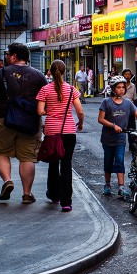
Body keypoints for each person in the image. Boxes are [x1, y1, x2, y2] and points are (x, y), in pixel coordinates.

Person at [0, 42, 48, 204]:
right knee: (27, 157)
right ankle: (27, 194)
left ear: (14, 56)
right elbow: (47, 100)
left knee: (0, 151)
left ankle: (8, 181)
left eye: (8, 54)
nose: (6, 57)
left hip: (4, 119)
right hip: (30, 121)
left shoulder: (0, 74)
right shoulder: (38, 75)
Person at [36, 60, 84, 212]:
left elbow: (40, 111)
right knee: (66, 164)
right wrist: (80, 122)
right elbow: (80, 111)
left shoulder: (45, 89)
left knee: (53, 162)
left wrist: (50, 112)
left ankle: (54, 195)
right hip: (68, 130)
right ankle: (66, 202)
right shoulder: (71, 90)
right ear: (64, 72)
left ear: (50, 72)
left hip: (51, 131)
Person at [99, 75, 137, 200]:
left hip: (120, 138)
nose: (121, 90)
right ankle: (107, 184)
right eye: (118, 87)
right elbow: (101, 119)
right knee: (108, 161)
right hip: (108, 139)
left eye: (123, 87)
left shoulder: (127, 103)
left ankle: (121, 186)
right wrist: (113, 125)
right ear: (113, 89)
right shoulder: (106, 102)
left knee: (119, 160)